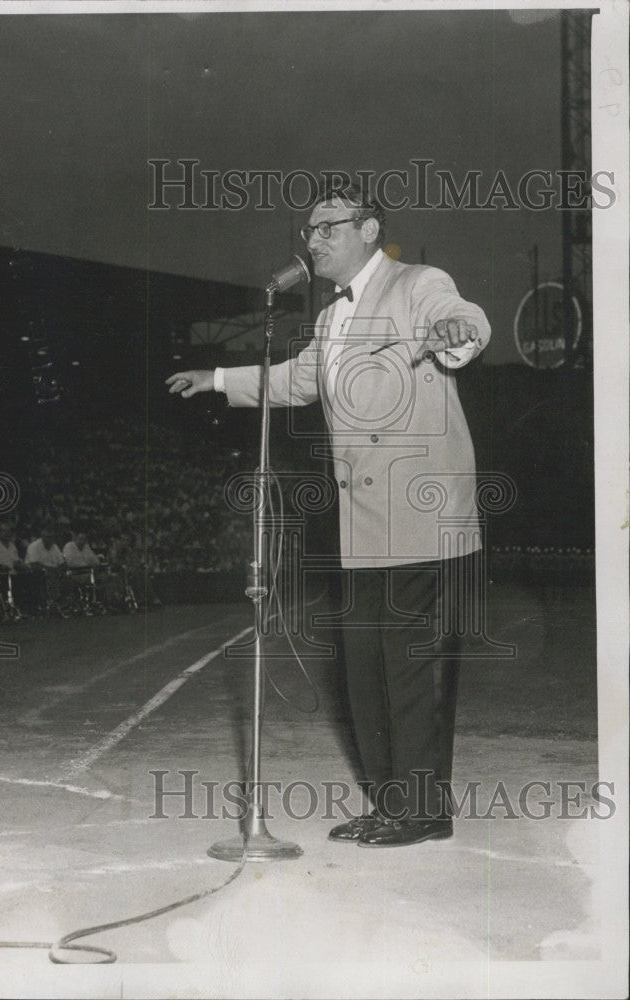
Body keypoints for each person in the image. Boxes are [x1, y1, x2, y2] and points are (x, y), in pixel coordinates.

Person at [166, 180, 490, 848]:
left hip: (419, 510)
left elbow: (461, 319)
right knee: (362, 666)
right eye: (309, 231)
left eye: (328, 229)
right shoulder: (329, 318)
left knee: (408, 664)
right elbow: (295, 379)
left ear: (369, 230)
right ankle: (389, 802)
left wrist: (460, 330)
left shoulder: (419, 283)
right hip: (362, 518)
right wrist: (220, 379)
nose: (313, 242)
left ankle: (424, 809)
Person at [26, 525, 69, 614]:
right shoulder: (34, 546)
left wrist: (61, 570)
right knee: (49, 575)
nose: (50, 539)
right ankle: (52, 604)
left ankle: (63, 604)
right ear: (42, 537)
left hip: (54, 572)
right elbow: (34, 564)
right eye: (47, 537)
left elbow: (61, 563)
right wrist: (52, 570)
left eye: (52, 537)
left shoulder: (55, 547)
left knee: (68, 576)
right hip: (36, 573)